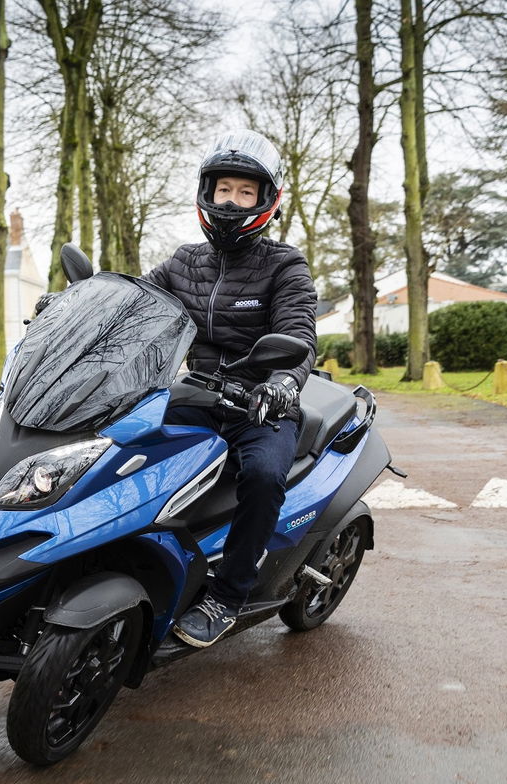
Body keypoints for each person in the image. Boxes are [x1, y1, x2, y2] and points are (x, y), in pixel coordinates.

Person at [143, 128, 318, 647]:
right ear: (208, 193)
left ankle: (229, 592)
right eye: (225, 190)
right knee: (118, 449)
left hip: (259, 404)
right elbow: (133, 302)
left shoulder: (284, 265)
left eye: (246, 192)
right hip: (193, 394)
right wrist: (75, 307)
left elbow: (299, 331)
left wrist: (284, 382)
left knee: (264, 475)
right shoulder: (182, 261)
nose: (233, 201)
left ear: (266, 200)